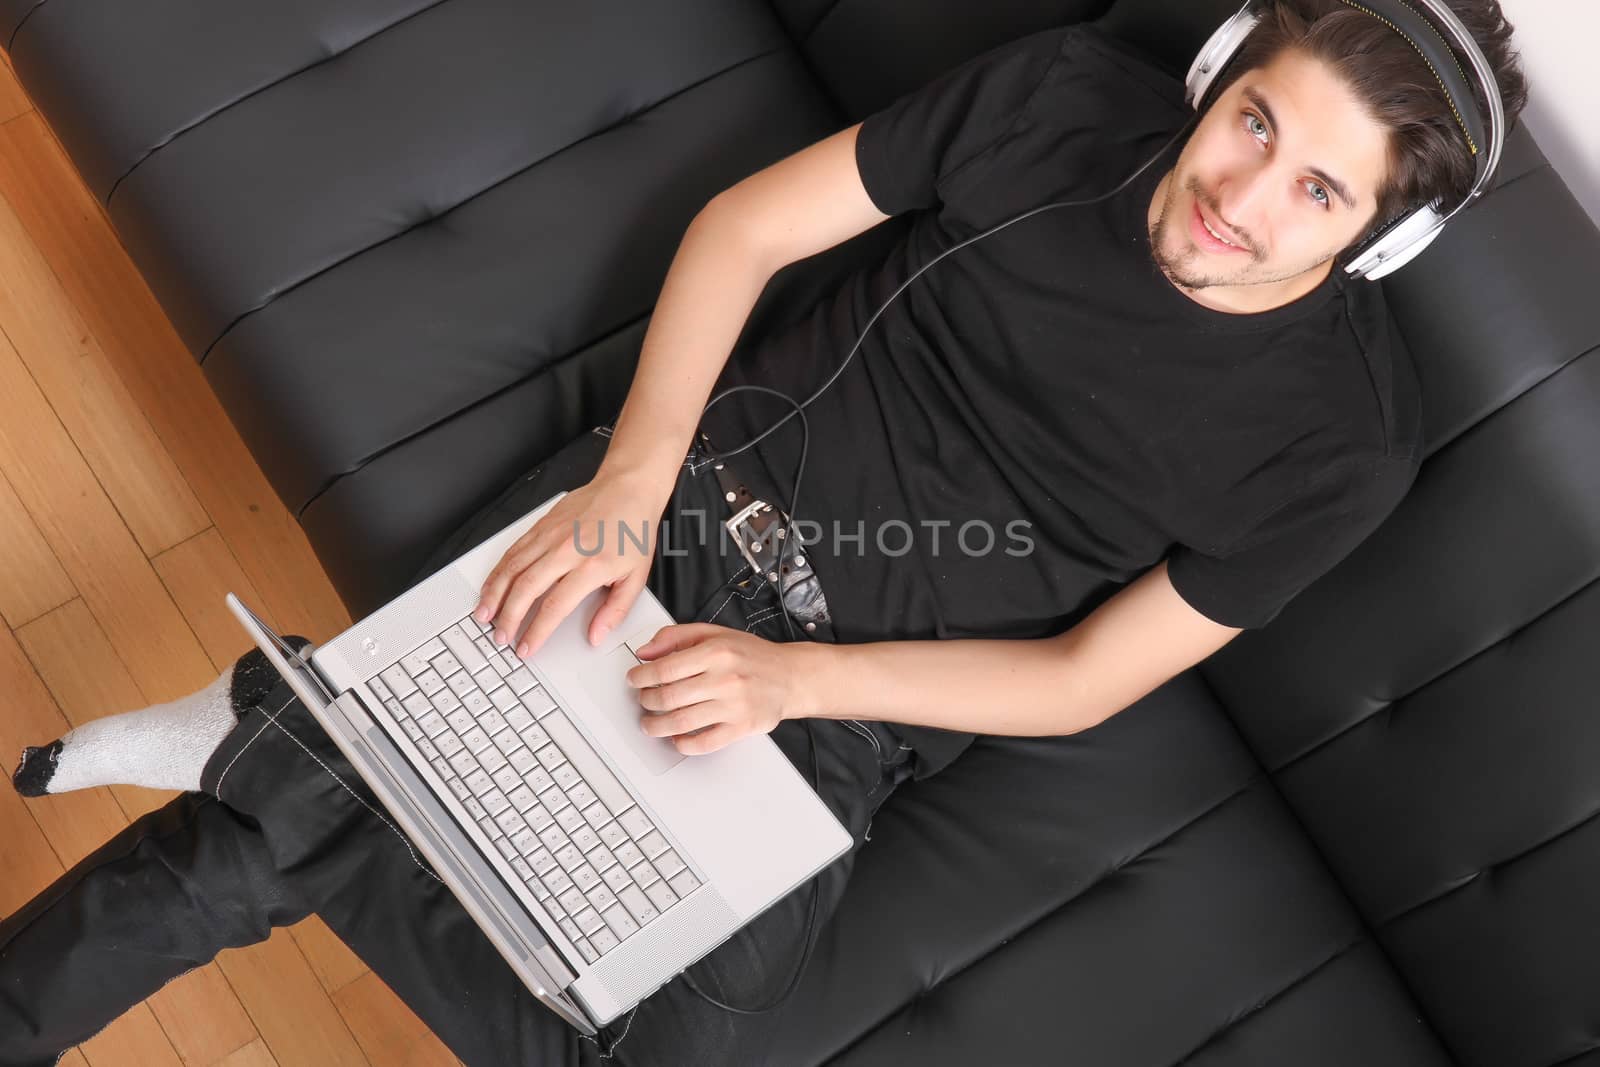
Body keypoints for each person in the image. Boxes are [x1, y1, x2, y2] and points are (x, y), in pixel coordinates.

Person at [1, 3, 1526, 1064]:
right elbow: (749, 229)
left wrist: (790, 688)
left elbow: (1079, 679)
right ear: (1220, 71)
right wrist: (626, 487)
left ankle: (291, 737)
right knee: (235, 867)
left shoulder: (1344, 445)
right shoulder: (1068, 102)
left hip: (833, 717)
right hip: (667, 519)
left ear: (1378, 238)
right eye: (1254, 119)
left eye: (1316, 188)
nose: (1239, 194)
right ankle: (288, 775)